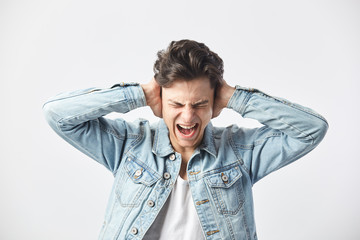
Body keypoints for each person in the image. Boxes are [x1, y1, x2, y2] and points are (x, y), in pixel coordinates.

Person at [43, 39, 328, 240]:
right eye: (177, 104)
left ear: (215, 102)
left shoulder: (240, 152)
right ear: (160, 101)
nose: (188, 117)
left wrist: (234, 97)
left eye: (200, 104)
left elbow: (312, 129)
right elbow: (57, 114)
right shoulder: (129, 144)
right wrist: (139, 94)